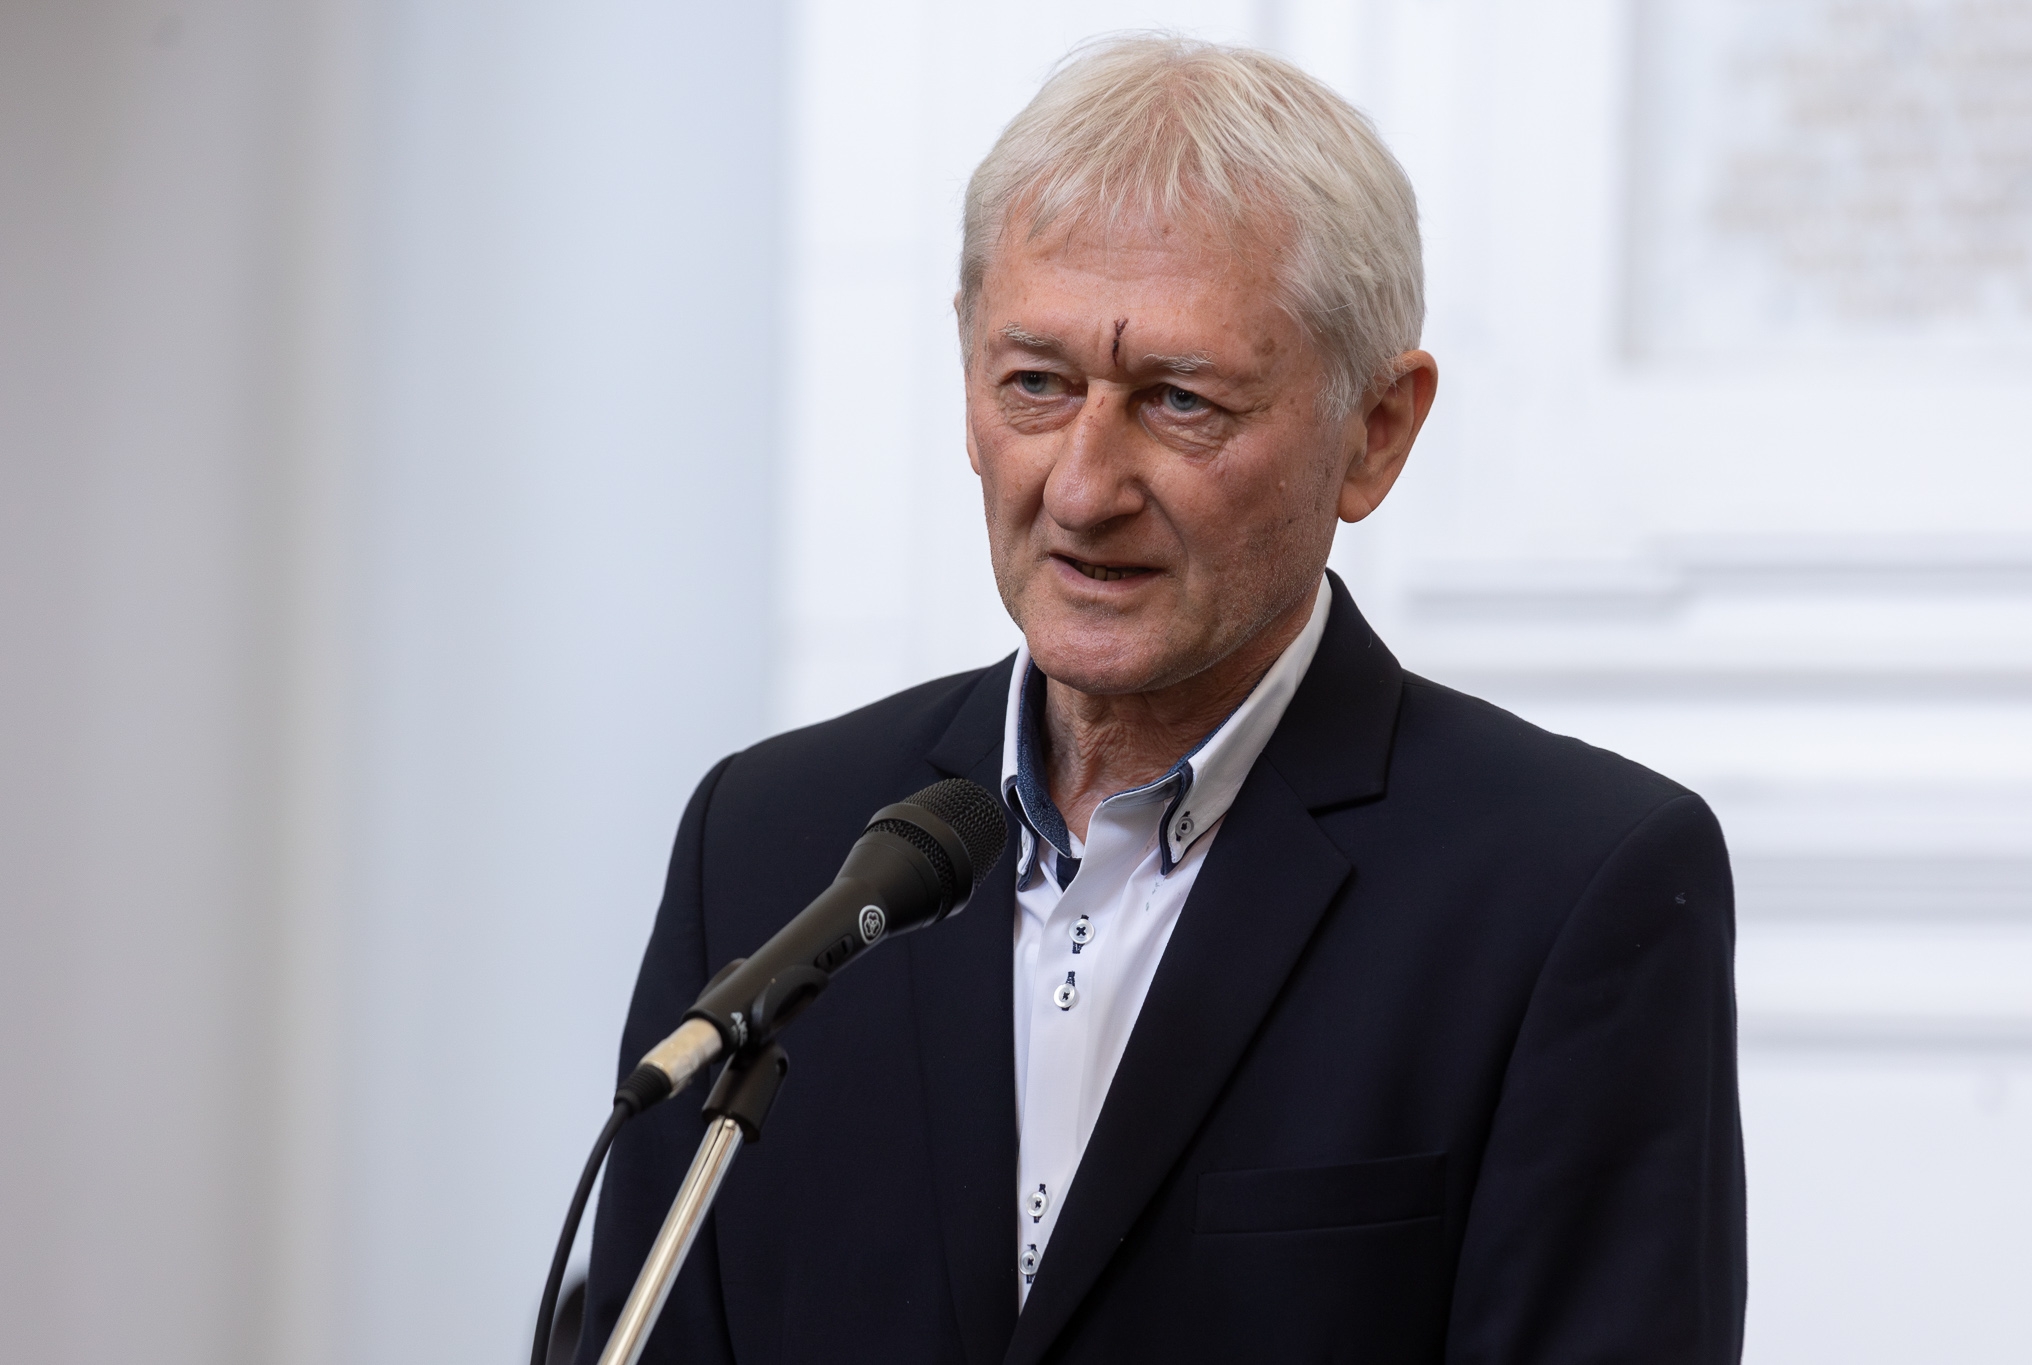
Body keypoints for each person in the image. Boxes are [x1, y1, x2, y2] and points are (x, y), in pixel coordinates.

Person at [577, 34, 1745, 1365]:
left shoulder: (1570, 887)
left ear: (1376, 432)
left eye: (1181, 401)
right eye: (1036, 384)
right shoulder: (767, 840)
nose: (1083, 488)